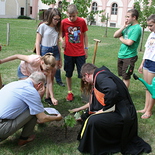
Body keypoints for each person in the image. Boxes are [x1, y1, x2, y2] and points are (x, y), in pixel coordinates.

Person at [70, 63, 151, 155]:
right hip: (120, 110)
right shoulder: (101, 75)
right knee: (91, 118)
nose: (87, 82)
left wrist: (106, 107)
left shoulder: (101, 77)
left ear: (86, 75)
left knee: (93, 121)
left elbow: (112, 90)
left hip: (124, 114)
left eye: (85, 79)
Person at [0, 71, 62, 146]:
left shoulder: (14, 84)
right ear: (40, 85)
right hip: (2, 126)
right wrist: (57, 118)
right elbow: (42, 118)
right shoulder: (31, 91)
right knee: (34, 111)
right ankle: (24, 139)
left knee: (34, 109)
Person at [61, 4, 88, 101]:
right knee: (68, 74)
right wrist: (62, 41)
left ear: (77, 13)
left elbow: (85, 35)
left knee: (83, 75)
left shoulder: (82, 21)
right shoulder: (63, 22)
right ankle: (70, 92)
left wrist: (86, 49)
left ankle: (84, 92)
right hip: (68, 53)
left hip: (80, 53)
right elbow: (60, 34)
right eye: (70, 16)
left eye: (73, 16)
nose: (71, 18)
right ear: (67, 14)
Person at [36, 8, 65, 89]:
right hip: (45, 50)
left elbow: (57, 43)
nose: (57, 21)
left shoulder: (57, 27)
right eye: (55, 19)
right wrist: (38, 56)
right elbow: (37, 42)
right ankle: (42, 90)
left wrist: (60, 59)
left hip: (55, 50)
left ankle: (49, 95)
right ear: (50, 17)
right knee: (44, 73)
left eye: (59, 19)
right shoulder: (43, 26)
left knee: (52, 74)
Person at [113, 8, 142, 88]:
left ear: (134, 17)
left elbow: (129, 42)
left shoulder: (137, 28)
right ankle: (122, 92)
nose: (126, 18)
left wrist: (121, 39)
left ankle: (124, 95)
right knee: (122, 75)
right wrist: (123, 26)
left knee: (126, 77)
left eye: (128, 17)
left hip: (129, 56)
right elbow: (115, 35)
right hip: (122, 54)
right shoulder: (128, 26)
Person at [137, 14, 155, 119]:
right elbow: (147, 49)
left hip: (154, 63)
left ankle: (149, 111)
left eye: (151, 25)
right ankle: (145, 108)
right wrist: (142, 63)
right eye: (148, 25)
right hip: (147, 62)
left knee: (153, 89)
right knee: (147, 87)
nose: (149, 27)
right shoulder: (151, 34)